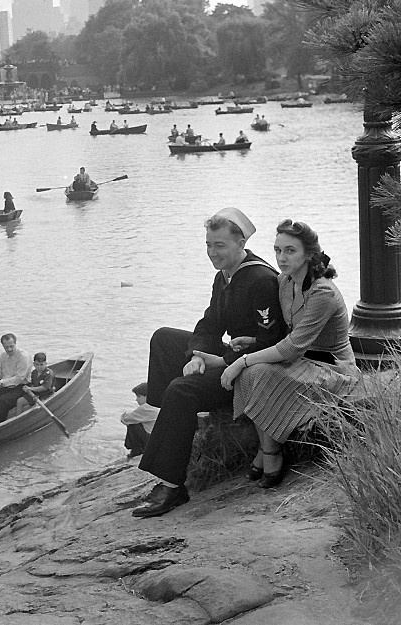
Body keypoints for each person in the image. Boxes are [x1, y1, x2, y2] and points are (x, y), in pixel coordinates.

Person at [130, 208, 287, 518]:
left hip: (252, 370)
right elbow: (209, 324)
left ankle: (173, 485)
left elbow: (273, 342)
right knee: (163, 339)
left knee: (181, 390)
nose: (213, 252)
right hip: (231, 356)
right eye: (208, 245)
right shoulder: (224, 276)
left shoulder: (260, 280)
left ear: (240, 243)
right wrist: (198, 356)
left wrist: (222, 359)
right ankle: (170, 421)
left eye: (220, 245)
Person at [220, 219, 360, 488]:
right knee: (253, 372)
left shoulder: (322, 292)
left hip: (332, 366)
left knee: (255, 370)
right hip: (303, 358)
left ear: (309, 254)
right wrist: (251, 341)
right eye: (277, 250)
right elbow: (287, 331)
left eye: (290, 251)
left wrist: (240, 361)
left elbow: (292, 347)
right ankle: (266, 447)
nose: (281, 258)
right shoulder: (284, 282)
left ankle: (270, 453)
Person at [8, 351, 56, 418]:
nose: (39, 367)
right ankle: (18, 419)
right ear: (34, 364)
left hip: (47, 395)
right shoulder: (34, 373)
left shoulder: (49, 373)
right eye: (37, 364)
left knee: (37, 407)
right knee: (19, 401)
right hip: (36, 395)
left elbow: (45, 387)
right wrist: (27, 388)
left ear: (46, 363)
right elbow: (34, 384)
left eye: (41, 364)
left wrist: (30, 389)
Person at [120, 382, 159, 458]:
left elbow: (126, 418)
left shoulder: (147, 407)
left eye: (138, 396)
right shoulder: (157, 404)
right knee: (135, 421)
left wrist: (125, 420)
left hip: (151, 440)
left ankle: (137, 450)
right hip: (157, 437)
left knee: (133, 424)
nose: (136, 399)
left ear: (147, 396)